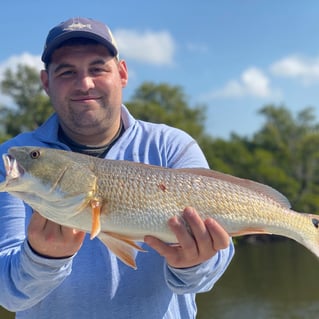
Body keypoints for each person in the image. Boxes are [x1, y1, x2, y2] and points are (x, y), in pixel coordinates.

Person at [0, 17, 234, 319]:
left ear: (121, 74)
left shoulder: (172, 146)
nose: (84, 83)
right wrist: (42, 258)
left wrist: (195, 262)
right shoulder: (13, 159)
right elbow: (8, 294)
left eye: (98, 68)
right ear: (46, 82)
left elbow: (206, 277)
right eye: (67, 71)